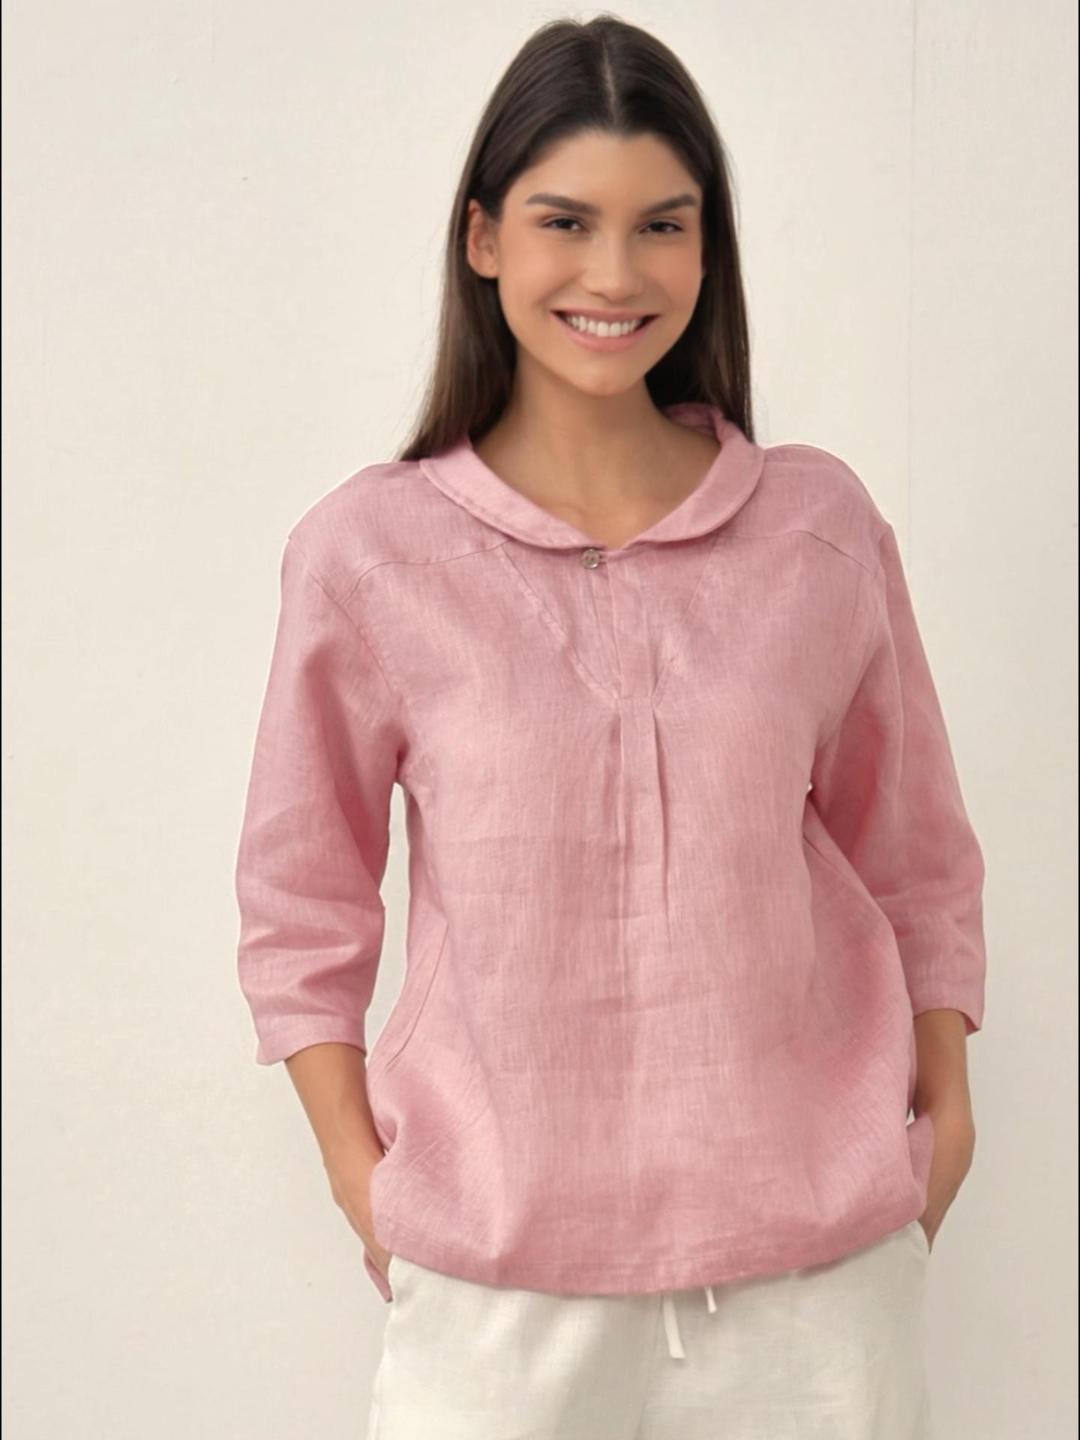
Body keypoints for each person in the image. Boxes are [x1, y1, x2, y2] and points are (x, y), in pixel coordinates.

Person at [233, 15, 987, 1439]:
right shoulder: (368, 556)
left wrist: (942, 1120)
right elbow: (300, 902)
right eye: (565, 221)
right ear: (483, 238)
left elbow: (917, 856)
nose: (614, 274)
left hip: (815, 1288)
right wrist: (360, 1177)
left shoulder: (817, 529)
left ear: (708, 252)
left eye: (662, 226)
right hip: (494, 1292)